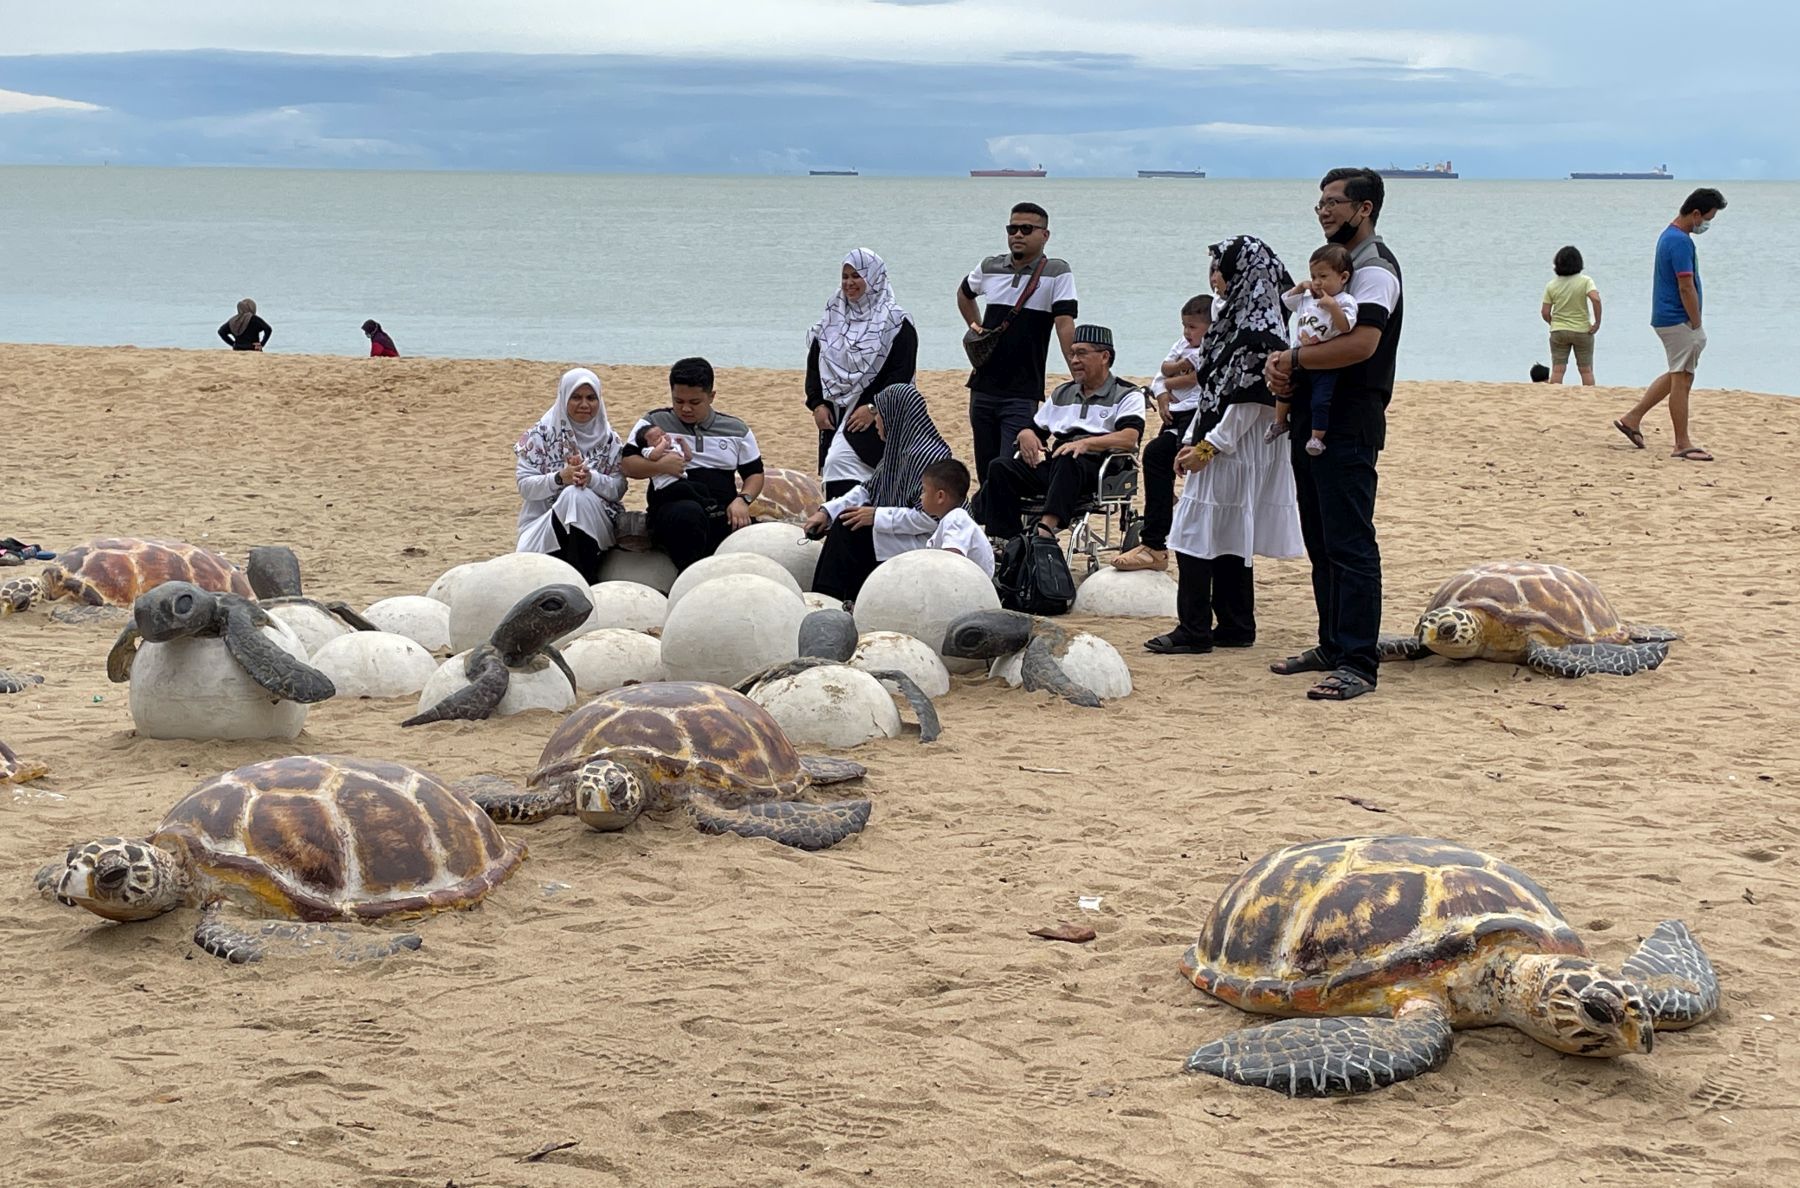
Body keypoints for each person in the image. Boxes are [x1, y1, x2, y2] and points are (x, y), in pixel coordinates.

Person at [1264, 166, 1404, 702]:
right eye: (1319, 203)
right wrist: (1286, 366)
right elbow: (1313, 334)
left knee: (1350, 542)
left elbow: (1362, 344)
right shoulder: (1338, 271)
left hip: (1350, 417)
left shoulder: (1375, 270)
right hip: (1313, 416)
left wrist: (1294, 358)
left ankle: (1358, 662)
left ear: (1363, 209)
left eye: (1333, 202)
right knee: (1321, 539)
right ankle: (1331, 644)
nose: (1323, 211)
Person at [1145, 236, 1303, 655]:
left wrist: (1208, 447)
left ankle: (1194, 628)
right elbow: (1217, 389)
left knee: (1193, 533)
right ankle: (1235, 624)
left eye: (1221, 268)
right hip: (1233, 445)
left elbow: (1249, 402)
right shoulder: (1242, 321)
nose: (1215, 277)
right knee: (1229, 533)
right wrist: (1196, 436)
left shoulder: (1255, 332)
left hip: (1237, 449)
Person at [956, 202, 1078, 512]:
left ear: (1045, 235)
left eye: (1026, 229)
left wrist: (1077, 370)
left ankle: (1007, 535)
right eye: (1012, 229)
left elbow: (1064, 323)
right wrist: (977, 328)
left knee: (1008, 465)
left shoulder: (1056, 272)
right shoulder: (990, 266)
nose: (1017, 235)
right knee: (986, 468)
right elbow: (964, 293)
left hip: (1022, 390)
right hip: (983, 386)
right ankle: (991, 535)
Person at [980, 325, 1144, 545]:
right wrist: (1027, 433)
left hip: (1099, 469)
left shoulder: (1127, 394)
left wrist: (1086, 444)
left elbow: (1129, 438)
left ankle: (1046, 529)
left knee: (1069, 458)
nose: (1074, 360)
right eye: (1072, 353)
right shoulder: (1062, 393)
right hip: (1059, 465)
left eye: (1082, 353)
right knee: (1000, 467)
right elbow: (1035, 428)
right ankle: (1008, 540)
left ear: (1105, 356)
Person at [803, 383, 952, 602]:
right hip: (899, 530)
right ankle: (832, 596)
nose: (876, 423)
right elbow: (867, 489)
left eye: (880, 416)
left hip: (924, 539)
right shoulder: (897, 450)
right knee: (847, 520)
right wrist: (827, 512)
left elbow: (932, 519)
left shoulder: (928, 456)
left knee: (851, 531)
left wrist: (877, 516)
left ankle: (828, 598)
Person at [1613, 188, 1727, 462]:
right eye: (1708, 218)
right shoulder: (1679, 241)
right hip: (1677, 318)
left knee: (1677, 373)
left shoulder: (1671, 236)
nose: (1707, 224)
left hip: (1667, 316)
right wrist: (1696, 322)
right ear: (1696, 213)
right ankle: (1681, 443)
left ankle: (1632, 418)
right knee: (1683, 379)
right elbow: (1685, 286)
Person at [622, 357, 765, 573]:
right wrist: (662, 467)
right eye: (678, 401)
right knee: (689, 515)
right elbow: (628, 465)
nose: (685, 409)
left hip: (722, 509)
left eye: (694, 402)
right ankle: (690, 576)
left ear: (711, 396)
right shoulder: (653, 423)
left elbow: (754, 473)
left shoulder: (737, 429)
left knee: (761, 536)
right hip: (672, 508)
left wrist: (743, 500)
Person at [1112, 290, 1216, 572]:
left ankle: (1164, 537)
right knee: (1157, 454)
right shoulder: (1183, 345)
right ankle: (1155, 543)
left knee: (1171, 458)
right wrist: (1162, 394)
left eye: (1193, 327)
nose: (1187, 332)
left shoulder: (1215, 347)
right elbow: (1161, 377)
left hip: (1205, 420)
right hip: (1180, 416)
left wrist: (1171, 384)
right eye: (1185, 326)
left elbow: (1200, 379)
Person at [806, 249, 919, 498]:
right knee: (836, 471)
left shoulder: (895, 323)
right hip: (835, 414)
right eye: (845, 276)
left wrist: (873, 407)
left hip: (876, 418)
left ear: (874, 278)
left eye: (857, 276)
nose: (849, 283)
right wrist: (816, 404)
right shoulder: (831, 319)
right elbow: (816, 365)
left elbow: (901, 373)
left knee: (854, 468)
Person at [513, 367, 626, 583]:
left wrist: (591, 479)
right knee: (573, 495)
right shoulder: (541, 436)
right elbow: (525, 486)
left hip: (599, 522)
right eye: (576, 397)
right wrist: (559, 478)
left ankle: (579, 575)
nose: (584, 405)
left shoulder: (609, 439)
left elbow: (618, 489)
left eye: (591, 398)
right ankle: (582, 576)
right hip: (543, 522)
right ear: (564, 397)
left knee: (577, 495)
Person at [1271, 244, 1358, 457]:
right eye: (1313, 276)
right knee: (1284, 389)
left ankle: (1317, 437)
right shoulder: (1309, 297)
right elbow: (1286, 302)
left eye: (1323, 276)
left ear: (1343, 277)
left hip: (1324, 360)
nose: (1317, 282)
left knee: (1320, 399)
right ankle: (1280, 422)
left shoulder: (1345, 301)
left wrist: (1332, 307)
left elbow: (1346, 326)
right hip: (1299, 354)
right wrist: (1300, 287)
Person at [921, 459, 995, 578]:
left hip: (971, 587)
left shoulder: (956, 519)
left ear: (940, 496)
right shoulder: (950, 519)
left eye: (924, 490)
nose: (921, 496)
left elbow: (952, 559)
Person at [1540, 246, 1599, 385]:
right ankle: (1589, 396)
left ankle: (1554, 397)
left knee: (1558, 369)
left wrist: (1553, 323)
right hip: (1582, 330)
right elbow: (1596, 299)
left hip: (1559, 330)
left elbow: (1544, 312)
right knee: (1586, 370)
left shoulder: (1551, 285)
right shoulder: (1585, 281)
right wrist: (1597, 322)